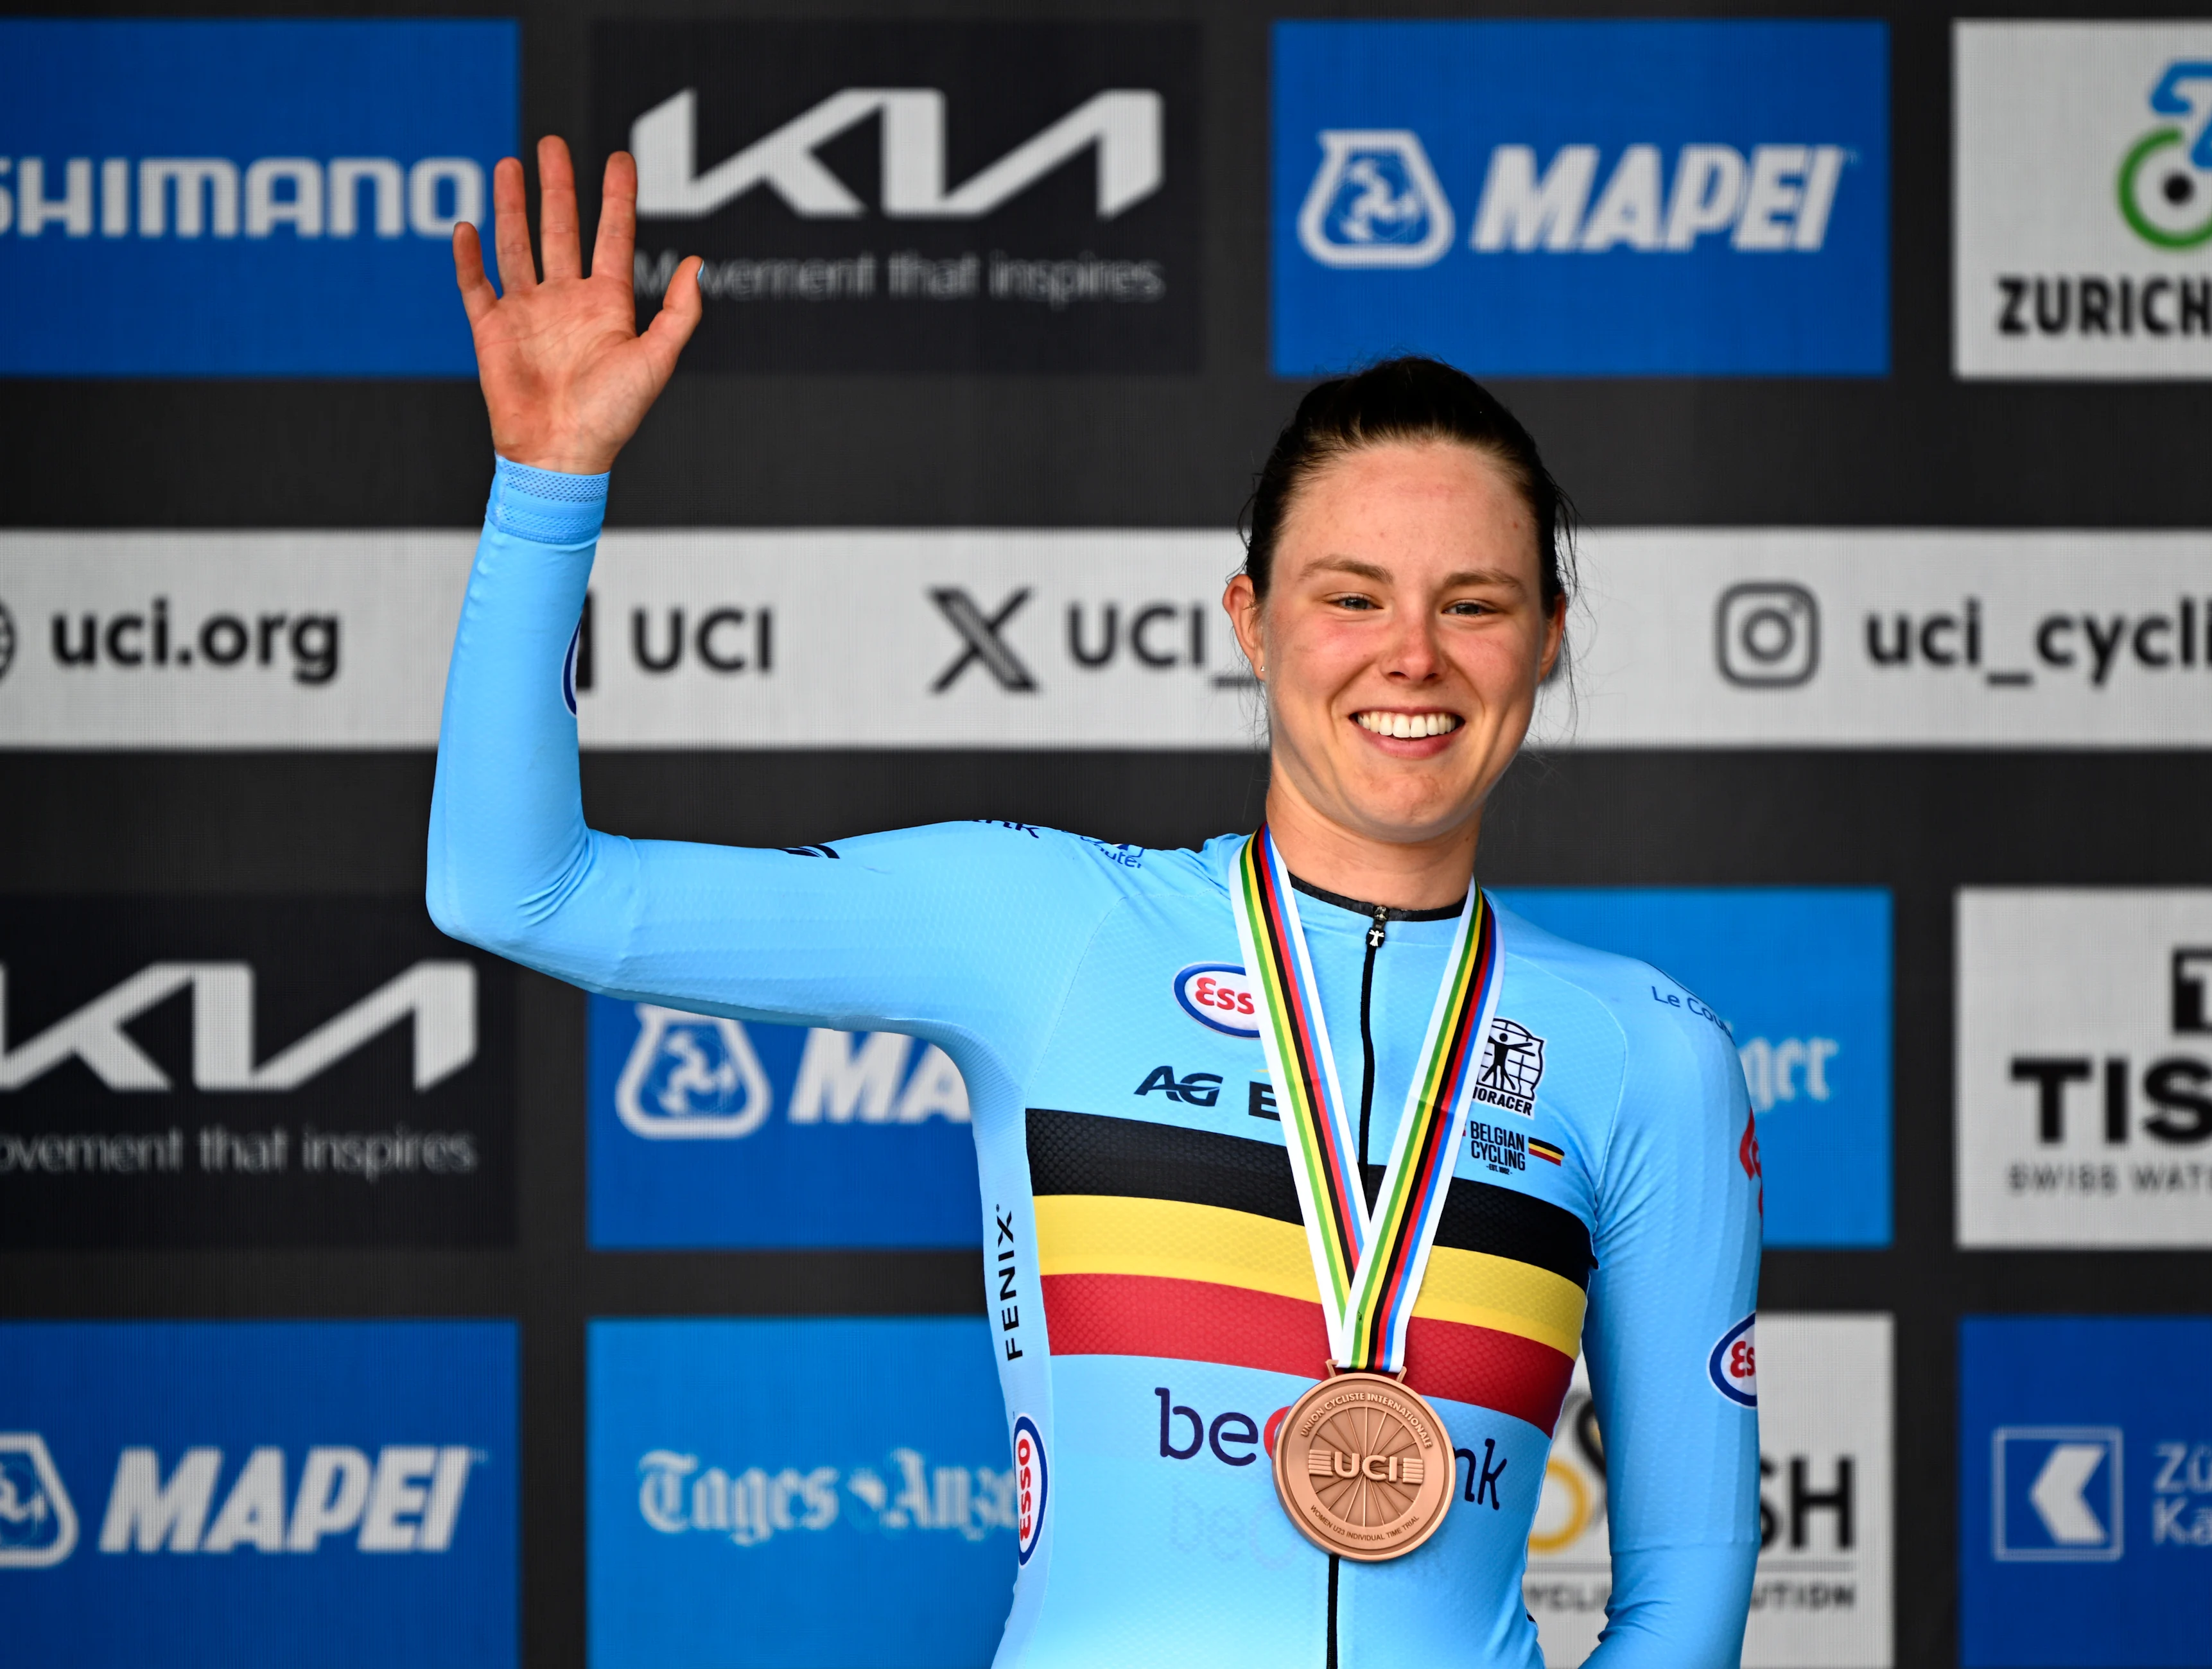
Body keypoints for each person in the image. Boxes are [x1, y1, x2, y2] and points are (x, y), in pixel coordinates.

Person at [433, 139, 1760, 1669]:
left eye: (1475, 603)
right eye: (1351, 596)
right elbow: (517, 886)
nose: (1414, 656)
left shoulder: (1646, 1048)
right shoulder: (1042, 928)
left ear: (1547, 642)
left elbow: (1692, 1588)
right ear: (1251, 623)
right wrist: (548, 484)